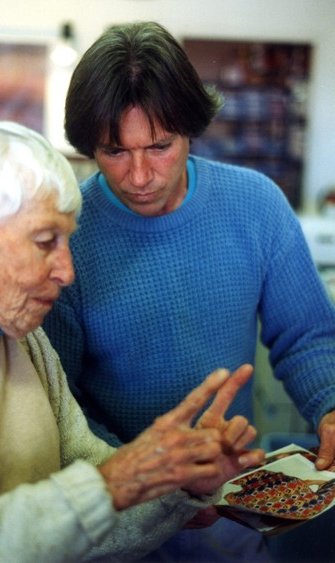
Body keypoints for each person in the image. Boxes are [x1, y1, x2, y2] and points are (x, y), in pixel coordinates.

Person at [43, 21, 335, 562]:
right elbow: (61, 402)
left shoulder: (257, 206)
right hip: (118, 514)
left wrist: (330, 405)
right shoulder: (67, 238)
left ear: (191, 129)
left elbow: (308, 335)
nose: (138, 176)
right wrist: (154, 479)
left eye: (160, 146)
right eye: (113, 151)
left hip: (233, 509)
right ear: (88, 146)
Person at [0, 121, 265, 563]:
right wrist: (112, 485)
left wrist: (177, 480)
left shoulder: (27, 343)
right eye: (45, 241)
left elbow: (89, 502)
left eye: (68, 241)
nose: (67, 272)